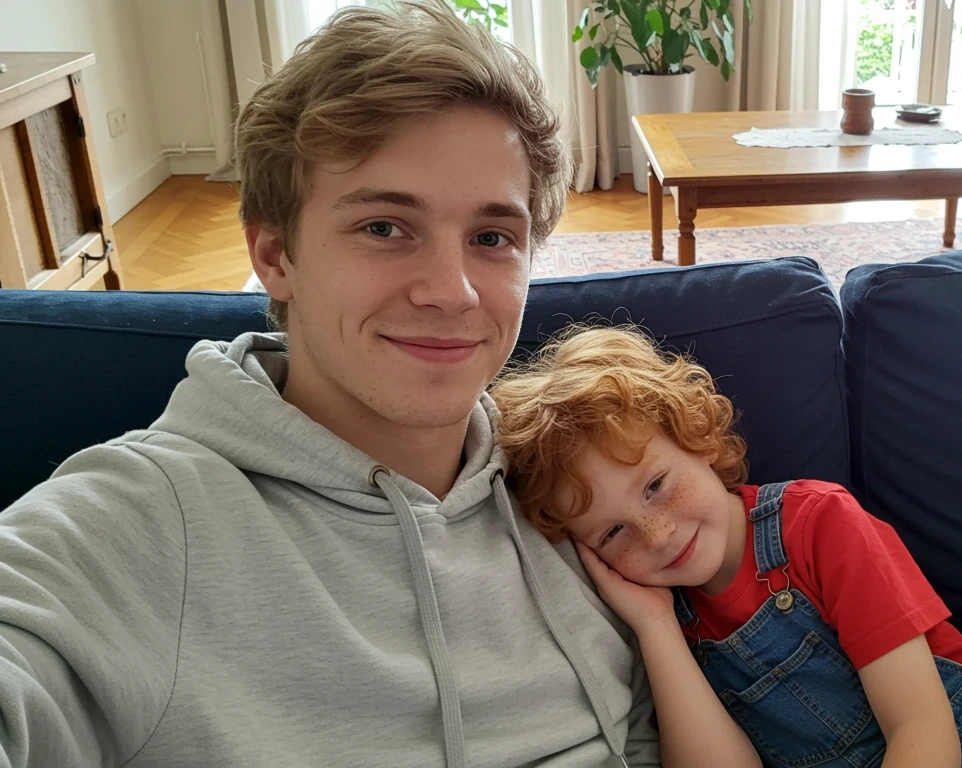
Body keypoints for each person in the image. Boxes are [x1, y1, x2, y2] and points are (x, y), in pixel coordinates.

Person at [0, 3, 659, 767]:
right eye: (385, 227)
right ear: (275, 254)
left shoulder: (572, 480)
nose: (453, 292)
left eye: (491, 238)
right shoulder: (142, 525)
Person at [491, 325, 962, 768]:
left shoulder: (817, 523)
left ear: (700, 439)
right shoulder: (662, 612)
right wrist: (654, 629)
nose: (657, 535)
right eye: (613, 533)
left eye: (655, 485)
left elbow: (924, 731)